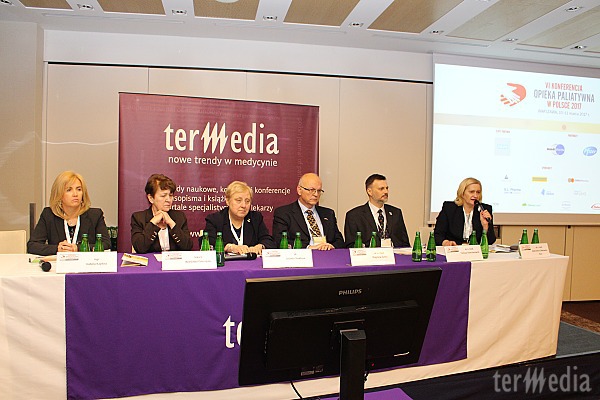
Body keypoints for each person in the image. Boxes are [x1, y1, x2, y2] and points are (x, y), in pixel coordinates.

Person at [27, 171, 111, 256]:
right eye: (69, 190)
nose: (75, 194)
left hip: (85, 263)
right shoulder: (49, 215)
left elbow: (106, 244)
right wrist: (58, 249)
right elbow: (32, 246)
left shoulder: (95, 215)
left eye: (79, 189)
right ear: (59, 194)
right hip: (58, 263)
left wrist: (78, 248)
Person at [272, 172, 344, 250]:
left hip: (327, 254)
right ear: (299, 190)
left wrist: (331, 246)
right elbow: (280, 240)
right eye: (311, 190)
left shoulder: (328, 213)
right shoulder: (284, 213)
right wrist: (308, 248)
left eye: (319, 191)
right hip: (301, 256)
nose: (316, 194)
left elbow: (339, 240)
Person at [204, 181, 275, 255]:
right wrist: (229, 247)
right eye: (238, 200)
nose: (244, 205)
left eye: (247, 201)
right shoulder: (215, 219)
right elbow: (208, 241)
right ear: (227, 201)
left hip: (251, 261)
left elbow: (268, 240)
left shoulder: (255, 218)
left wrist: (260, 246)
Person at [344, 174, 410, 248]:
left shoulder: (396, 213)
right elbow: (350, 246)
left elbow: (405, 244)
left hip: (394, 254)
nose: (386, 192)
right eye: (381, 189)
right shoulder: (354, 216)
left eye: (387, 188)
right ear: (369, 191)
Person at [131, 174, 193, 253]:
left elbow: (188, 247)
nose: (168, 200)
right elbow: (140, 248)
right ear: (151, 198)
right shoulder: (139, 218)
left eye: (171, 195)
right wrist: (153, 222)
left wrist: (171, 223)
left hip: (174, 261)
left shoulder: (179, 217)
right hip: (151, 261)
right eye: (163, 196)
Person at [434, 177, 496, 246]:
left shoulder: (484, 209)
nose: (475, 195)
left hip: (475, 250)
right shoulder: (449, 208)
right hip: (454, 249)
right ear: (462, 193)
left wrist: (485, 227)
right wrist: (446, 242)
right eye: (471, 192)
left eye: (478, 192)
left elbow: (491, 241)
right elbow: (437, 235)